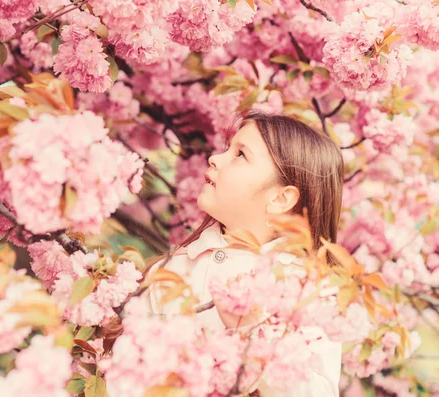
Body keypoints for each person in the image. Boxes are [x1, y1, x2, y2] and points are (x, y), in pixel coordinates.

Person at [143, 111, 345, 396]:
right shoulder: (175, 267)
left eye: (240, 155)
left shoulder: (306, 289)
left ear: (280, 198)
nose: (216, 158)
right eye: (228, 148)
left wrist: (256, 338)